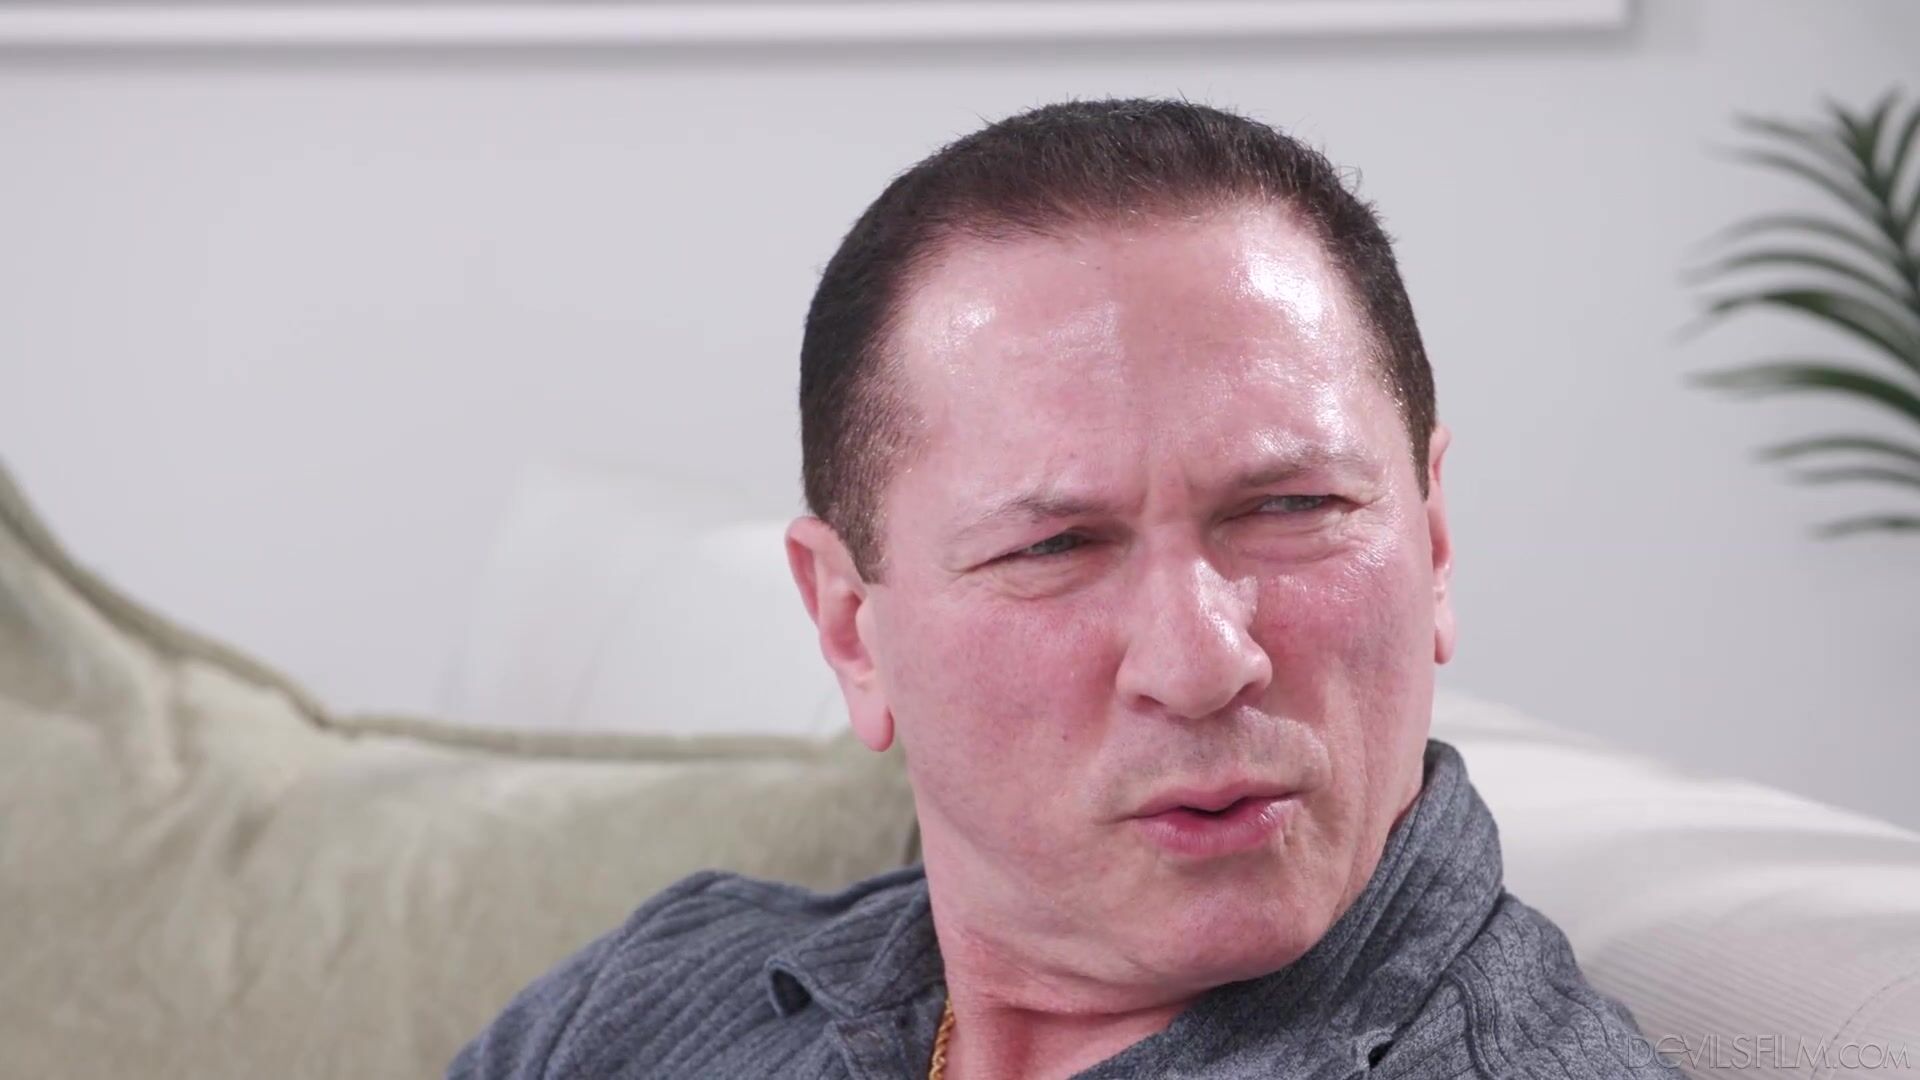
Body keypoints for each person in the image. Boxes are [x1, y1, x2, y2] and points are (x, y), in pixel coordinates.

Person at [450, 97, 1677, 1079]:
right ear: (850, 628)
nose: (1202, 663)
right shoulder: (650, 996)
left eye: (1293, 508)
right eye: (1056, 547)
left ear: (1435, 541)